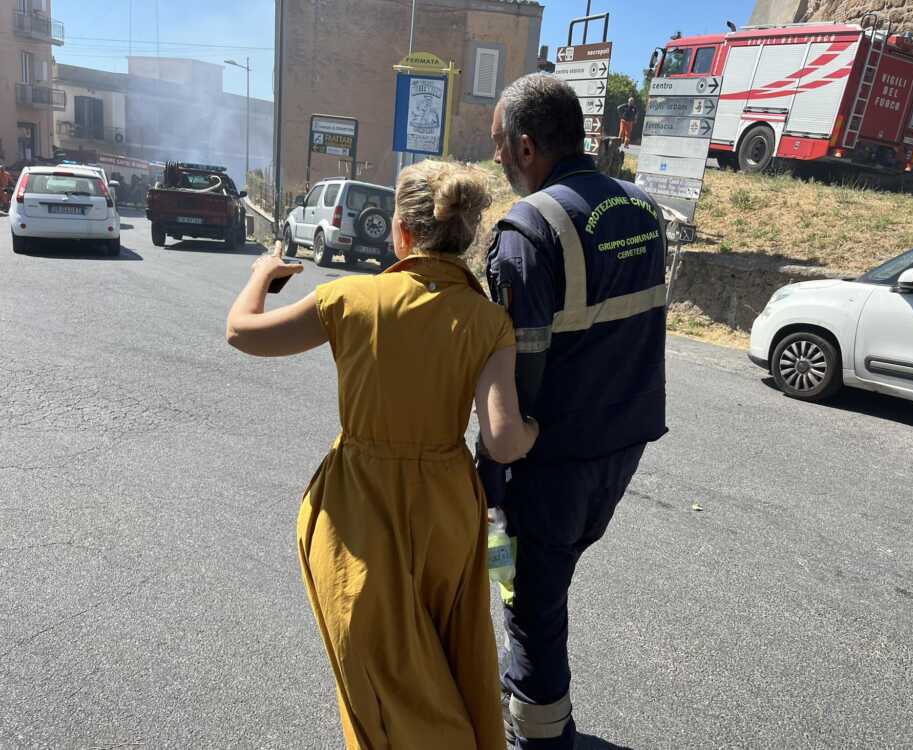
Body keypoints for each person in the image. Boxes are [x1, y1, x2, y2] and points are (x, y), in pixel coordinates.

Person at [226, 160, 540, 750]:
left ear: (400, 231)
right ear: (465, 236)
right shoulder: (488, 320)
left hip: (357, 509)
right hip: (447, 510)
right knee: (447, 657)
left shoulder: (348, 298)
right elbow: (502, 440)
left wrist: (262, 274)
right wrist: (536, 430)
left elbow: (242, 332)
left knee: (379, 676)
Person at [483, 74, 668, 749]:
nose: (498, 159)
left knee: (530, 599)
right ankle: (524, 687)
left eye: (501, 144)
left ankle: (538, 730)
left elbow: (515, 378)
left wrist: (490, 476)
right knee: (552, 570)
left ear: (528, 146)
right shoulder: (641, 209)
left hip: (553, 460)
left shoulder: (529, 229)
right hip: (624, 444)